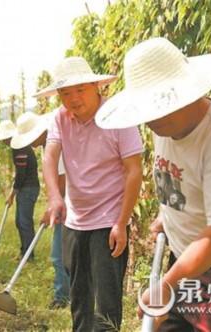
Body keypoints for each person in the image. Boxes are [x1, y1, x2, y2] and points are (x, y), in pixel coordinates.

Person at [96, 37, 211, 331]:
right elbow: (181, 181)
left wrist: (166, 285)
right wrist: (169, 215)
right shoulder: (164, 125)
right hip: (186, 262)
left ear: (187, 93)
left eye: (157, 108)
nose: (149, 120)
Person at [39, 56, 143, 331]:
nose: (73, 99)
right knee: (79, 299)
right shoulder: (60, 119)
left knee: (106, 303)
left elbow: (134, 170)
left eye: (80, 90)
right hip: (75, 222)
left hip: (109, 222)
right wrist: (54, 197)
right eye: (65, 93)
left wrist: (121, 222)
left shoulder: (118, 118)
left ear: (97, 86)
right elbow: (50, 157)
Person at [10, 110, 70, 309]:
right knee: (64, 253)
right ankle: (68, 293)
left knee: (59, 254)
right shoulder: (48, 144)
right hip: (66, 202)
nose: (30, 144)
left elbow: (61, 182)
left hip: (69, 204)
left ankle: (62, 297)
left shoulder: (56, 143)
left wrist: (52, 207)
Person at [0, 119, 40, 259]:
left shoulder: (20, 148)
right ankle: (25, 251)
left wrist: (12, 194)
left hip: (28, 188)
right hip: (26, 188)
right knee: (20, 221)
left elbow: (21, 175)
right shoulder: (17, 147)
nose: (3, 141)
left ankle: (28, 255)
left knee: (24, 222)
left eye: (5, 138)